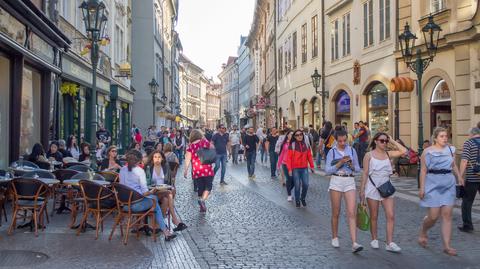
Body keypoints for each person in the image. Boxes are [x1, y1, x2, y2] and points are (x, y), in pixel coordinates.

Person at [418, 127, 462, 256]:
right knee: (433, 216)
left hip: (448, 183)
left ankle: (447, 246)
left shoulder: (450, 149)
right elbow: (424, 170)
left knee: (447, 215)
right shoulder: (427, 152)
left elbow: (453, 165)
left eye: (446, 136)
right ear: (435, 138)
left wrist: (459, 177)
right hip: (432, 183)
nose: (445, 138)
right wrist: (422, 188)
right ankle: (423, 231)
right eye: (442, 136)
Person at [359, 132, 407, 252]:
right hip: (372, 187)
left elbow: (403, 151)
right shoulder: (368, 155)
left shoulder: (388, 154)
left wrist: (392, 140)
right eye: (382, 141)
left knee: (390, 215)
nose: (384, 143)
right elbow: (365, 173)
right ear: (375, 141)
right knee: (374, 215)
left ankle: (389, 242)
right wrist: (362, 190)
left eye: (386, 141)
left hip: (386, 187)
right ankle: (374, 239)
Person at [119, 150, 177, 241]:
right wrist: (153, 190)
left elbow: (121, 187)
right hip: (135, 205)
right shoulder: (140, 171)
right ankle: (164, 231)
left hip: (124, 205)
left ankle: (142, 225)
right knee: (154, 200)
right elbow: (145, 192)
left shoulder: (122, 170)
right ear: (139, 160)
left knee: (153, 199)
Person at [325, 130, 363, 253]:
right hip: (336, 180)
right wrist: (340, 163)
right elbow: (327, 170)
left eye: (344, 140)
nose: (342, 143)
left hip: (349, 181)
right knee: (336, 212)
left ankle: (354, 243)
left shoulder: (351, 150)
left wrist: (351, 165)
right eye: (340, 141)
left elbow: (358, 168)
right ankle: (335, 236)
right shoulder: (332, 151)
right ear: (336, 140)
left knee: (352, 212)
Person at [183, 129, 215, 212]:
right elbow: (212, 148)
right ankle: (202, 201)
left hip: (197, 170)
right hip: (207, 169)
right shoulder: (204, 142)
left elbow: (187, 159)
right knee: (208, 187)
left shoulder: (190, 146)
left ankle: (201, 206)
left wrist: (186, 170)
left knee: (200, 189)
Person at [458, 127, 480, 233]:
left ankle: (467, 225)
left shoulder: (469, 143)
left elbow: (464, 160)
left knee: (467, 201)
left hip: (472, 177)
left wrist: (460, 176)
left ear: (471, 134)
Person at [285, 129, 314, 208]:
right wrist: (290, 169)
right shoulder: (292, 145)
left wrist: (312, 166)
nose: (299, 136)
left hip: (304, 168)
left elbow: (309, 156)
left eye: (300, 134)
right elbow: (289, 159)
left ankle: (303, 198)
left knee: (306, 184)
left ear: (303, 135)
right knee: (297, 185)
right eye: (297, 135)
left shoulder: (306, 144)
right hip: (295, 169)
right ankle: (297, 200)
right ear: (295, 137)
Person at [278, 131, 294, 200]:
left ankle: (289, 189)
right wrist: (278, 164)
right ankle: (289, 195)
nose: (292, 135)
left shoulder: (295, 143)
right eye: (291, 134)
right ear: (287, 135)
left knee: (294, 180)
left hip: (294, 164)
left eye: (293, 135)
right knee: (288, 178)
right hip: (285, 163)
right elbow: (281, 154)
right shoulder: (284, 144)